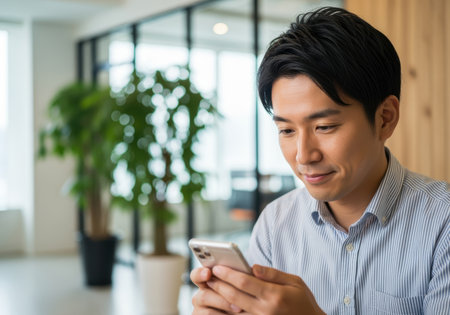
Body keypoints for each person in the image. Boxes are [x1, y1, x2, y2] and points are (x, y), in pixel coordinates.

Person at [190, 6, 450, 315]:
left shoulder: (442, 224)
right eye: (286, 129)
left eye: (324, 127)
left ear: (385, 118)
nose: (303, 155)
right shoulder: (274, 225)